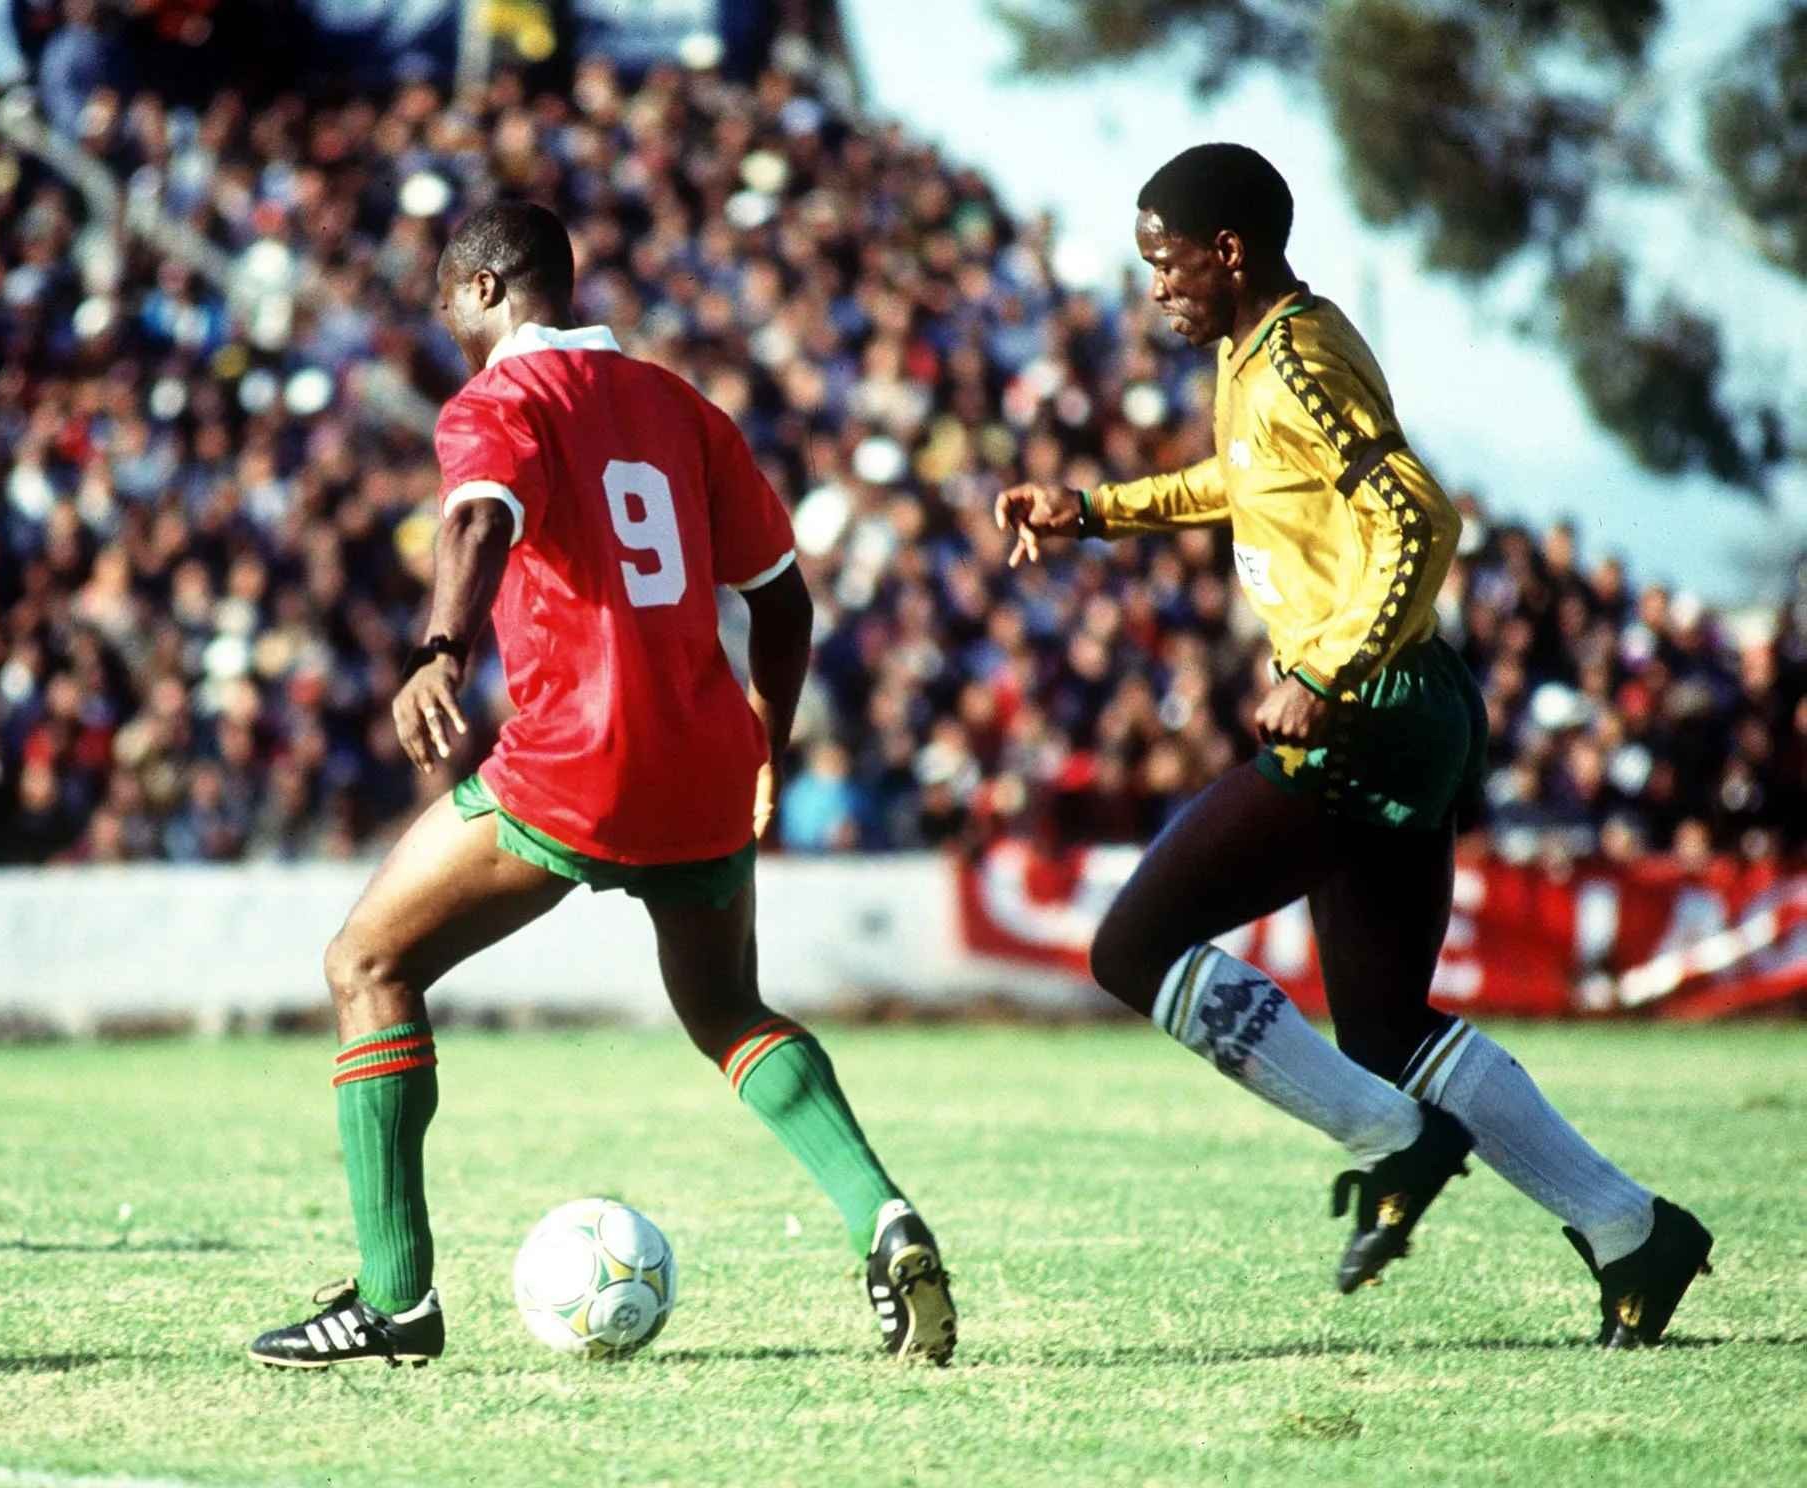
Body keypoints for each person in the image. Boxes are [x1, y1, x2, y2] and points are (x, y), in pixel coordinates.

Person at [996, 144, 1711, 1348]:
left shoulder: (1297, 360)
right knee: (1383, 1027)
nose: (1155, 287)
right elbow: (1251, 480)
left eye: (1167, 263)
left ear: (1230, 253)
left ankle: (1395, 1143)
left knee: (1134, 947)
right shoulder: (1259, 350)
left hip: (1367, 715)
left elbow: (1420, 515)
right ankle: (1632, 1231)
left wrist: (1327, 669)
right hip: (1407, 707)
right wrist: (1100, 511)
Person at [247, 201, 958, 1370]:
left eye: (447, 304)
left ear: (485, 289)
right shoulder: (682, 406)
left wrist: (439, 650)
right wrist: (765, 744)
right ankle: (882, 1218)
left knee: (367, 965)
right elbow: (783, 600)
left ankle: (394, 1301)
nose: (447, 328)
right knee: (728, 1011)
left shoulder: (501, 401)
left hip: (580, 758)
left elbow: (479, 518)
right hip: (706, 759)